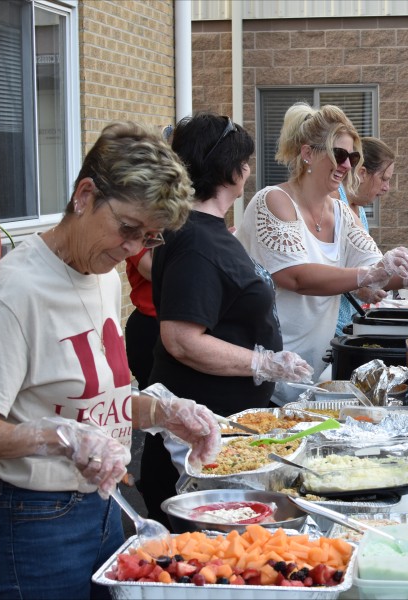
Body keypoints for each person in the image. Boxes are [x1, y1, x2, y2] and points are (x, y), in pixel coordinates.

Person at [0, 121, 220, 600]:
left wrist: (162, 412)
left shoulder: (101, 274)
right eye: (128, 228)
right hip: (34, 520)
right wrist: (52, 438)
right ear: (85, 195)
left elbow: (89, 400)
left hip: (105, 506)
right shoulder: (16, 291)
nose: (132, 249)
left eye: (149, 238)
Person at [140, 112, 314, 525]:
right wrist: (262, 363)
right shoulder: (196, 240)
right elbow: (181, 339)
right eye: (246, 162)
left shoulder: (206, 230)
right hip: (195, 447)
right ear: (233, 171)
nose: (249, 170)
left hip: (224, 434)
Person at [237, 102, 408, 404]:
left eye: (352, 157)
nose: (347, 165)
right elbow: (296, 276)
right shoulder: (274, 201)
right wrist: (368, 274)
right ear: (307, 153)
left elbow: (375, 267)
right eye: (339, 154)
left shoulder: (340, 212)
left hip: (307, 368)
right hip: (260, 367)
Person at [334, 137, 397, 336]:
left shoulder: (358, 209)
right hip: (330, 323)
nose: (387, 187)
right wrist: (357, 286)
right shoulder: (334, 202)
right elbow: (322, 265)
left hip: (350, 320)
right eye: (384, 179)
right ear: (362, 173)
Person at [124, 248, 157, 388]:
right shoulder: (143, 233)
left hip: (186, 322)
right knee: (152, 390)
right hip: (150, 323)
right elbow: (152, 270)